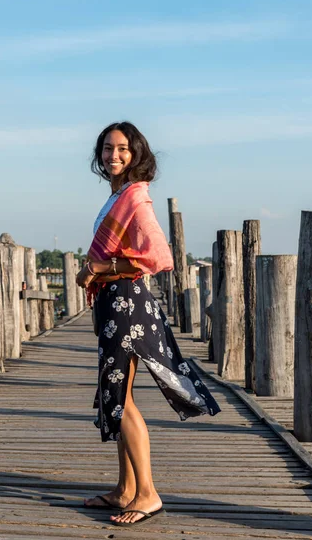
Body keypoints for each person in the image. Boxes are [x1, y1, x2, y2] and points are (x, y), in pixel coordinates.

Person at [76, 122, 220, 528]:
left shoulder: (136, 198)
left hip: (126, 303)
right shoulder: (118, 196)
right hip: (114, 301)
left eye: (122, 148)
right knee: (116, 394)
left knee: (121, 401)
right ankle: (125, 489)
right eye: (107, 148)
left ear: (136, 153)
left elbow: (159, 255)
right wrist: (96, 271)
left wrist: (102, 266)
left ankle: (148, 493)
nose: (113, 155)